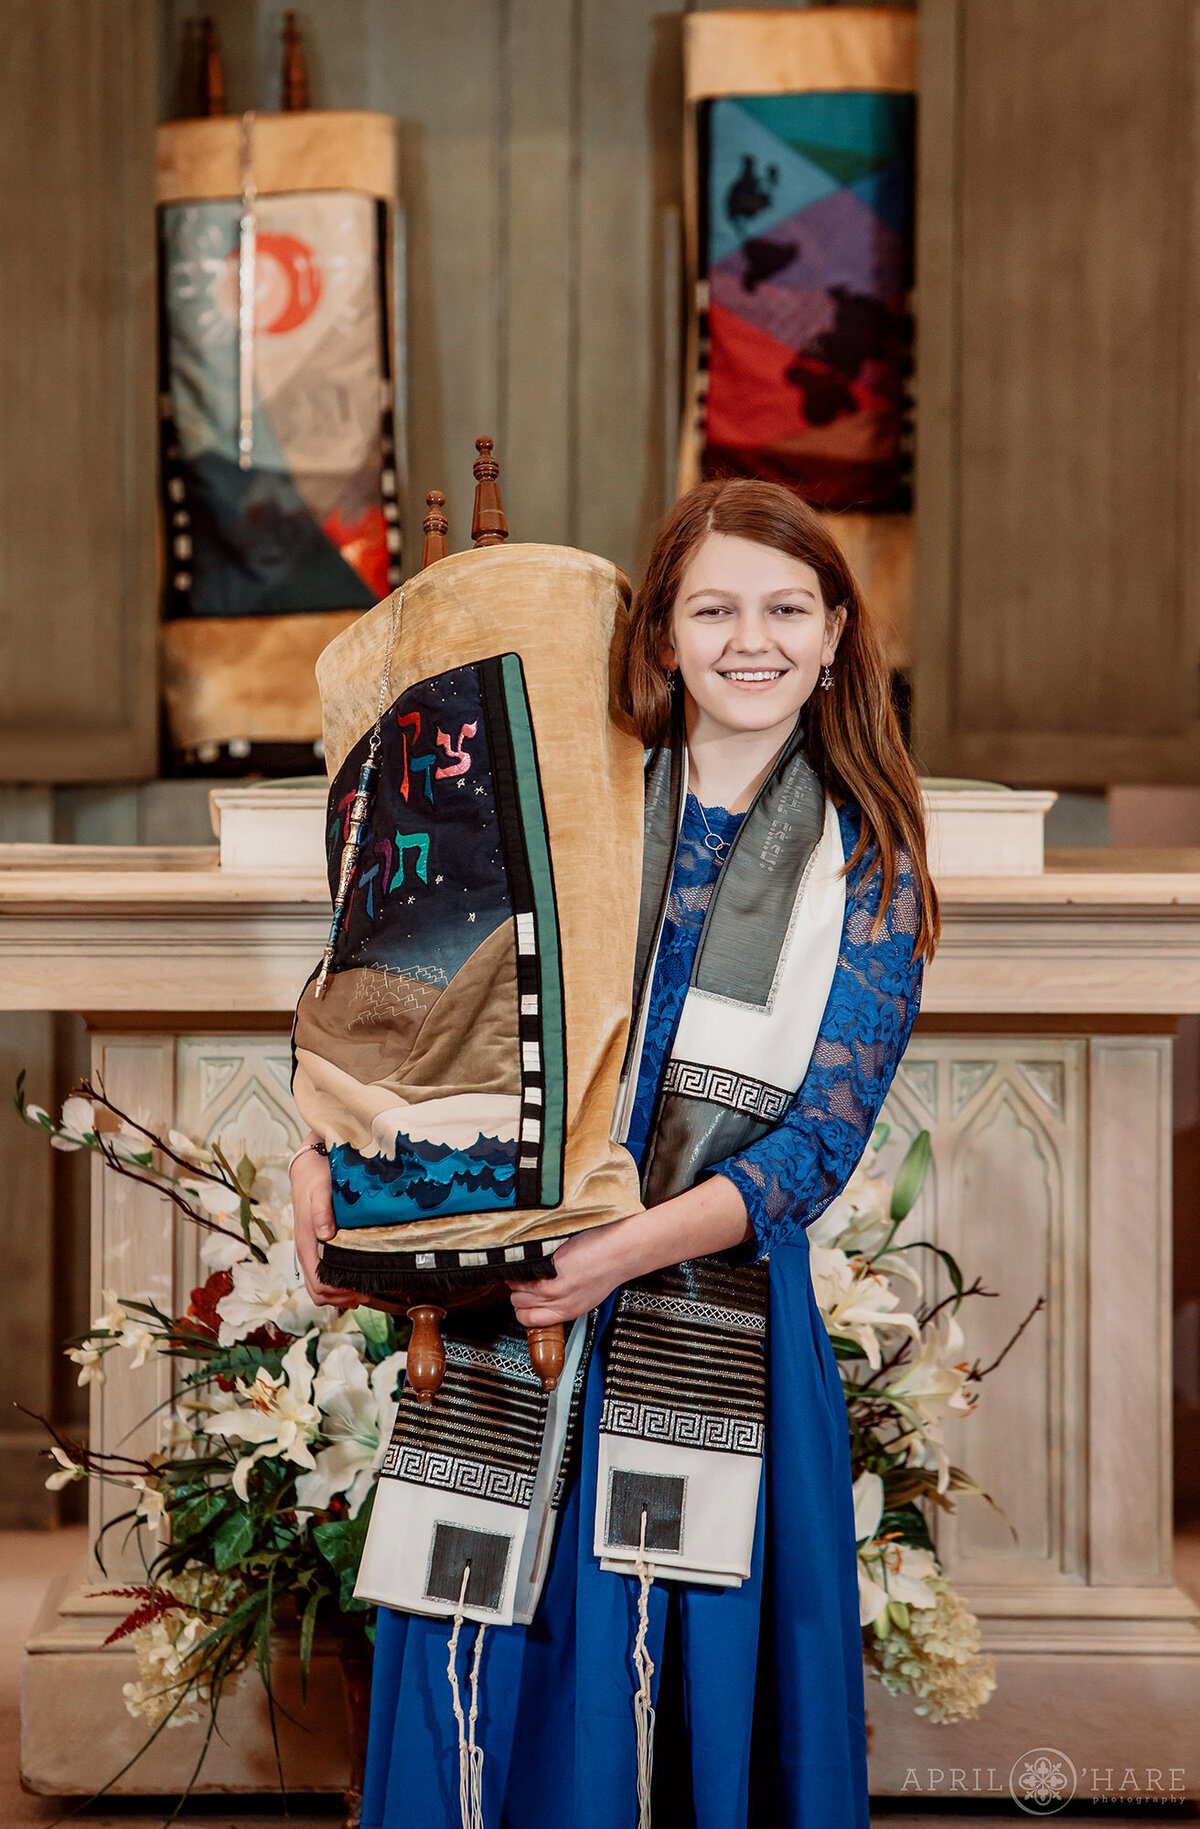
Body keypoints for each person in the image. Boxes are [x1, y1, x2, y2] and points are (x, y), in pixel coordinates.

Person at [291, 478, 940, 1828]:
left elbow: (814, 1148)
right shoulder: (569, 802)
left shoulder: (859, 861)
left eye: (783, 608)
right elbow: (402, 989)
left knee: (668, 1711)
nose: (747, 638)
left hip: (714, 1339)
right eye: (713, 607)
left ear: (833, 634)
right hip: (500, 1323)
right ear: (660, 636)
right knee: (477, 1685)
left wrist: (618, 1252)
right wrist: (325, 1156)